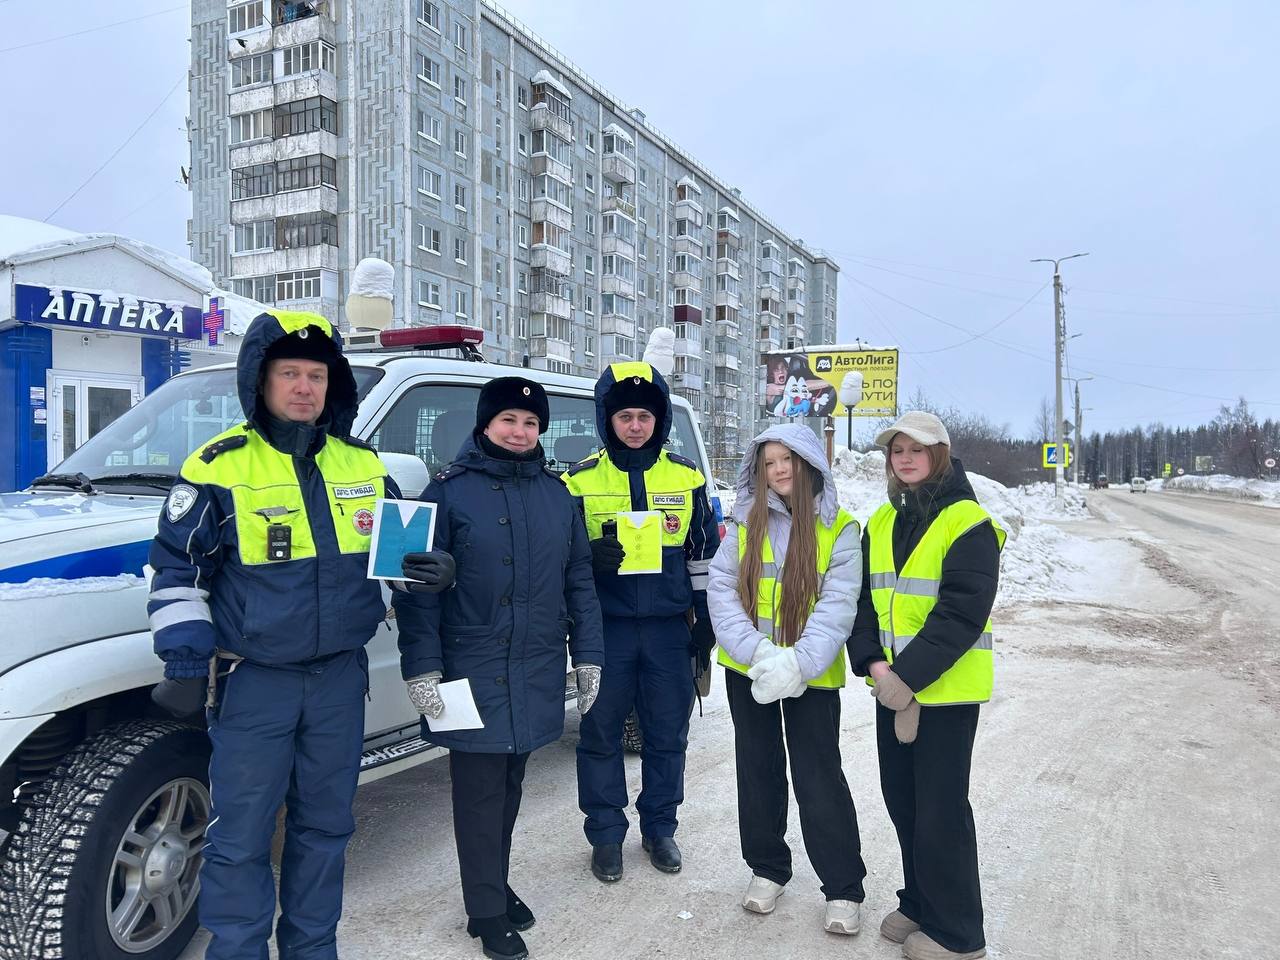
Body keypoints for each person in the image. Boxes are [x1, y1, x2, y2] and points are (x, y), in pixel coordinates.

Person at [147, 310, 454, 960]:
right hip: (255, 682)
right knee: (241, 836)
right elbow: (178, 573)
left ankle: (313, 950)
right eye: (290, 372)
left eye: (317, 375)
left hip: (339, 681)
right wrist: (184, 660)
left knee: (325, 828)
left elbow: (399, 561)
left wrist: (430, 570)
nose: (304, 387)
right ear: (260, 380)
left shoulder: (363, 465)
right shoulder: (219, 467)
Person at [393, 377, 605, 960]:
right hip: (472, 665)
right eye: (508, 419)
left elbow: (578, 580)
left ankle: (493, 883)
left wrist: (589, 654)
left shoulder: (558, 495)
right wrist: (422, 667)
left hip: (535, 663)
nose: (520, 431)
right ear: (485, 424)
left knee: (510, 785)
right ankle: (484, 911)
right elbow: (413, 587)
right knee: (479, 792)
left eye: (531, 423)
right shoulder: (447, 493)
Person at [846, 411, 1004, 960]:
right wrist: (873, 665)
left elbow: (961, 614)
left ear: (940, 454)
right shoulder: (882, 521)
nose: (905, 459)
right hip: (891, 690)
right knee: (904, 802)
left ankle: (958, 934)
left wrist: (906, 677)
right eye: (897, 451)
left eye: (917, 449)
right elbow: (864, 604)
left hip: (944, 696)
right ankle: (920, 902)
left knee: (941, 811)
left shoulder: (968, 523)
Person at [707, 423, 867, 936]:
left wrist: (797, 664)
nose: (778, 470)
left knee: (818, 776)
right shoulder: (744, 524)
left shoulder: (840, 529)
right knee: (758, 771)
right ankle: (767, 868)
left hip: (810, 675)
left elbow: (838, 606)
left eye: (787, 459)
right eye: (769, 462)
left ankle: (842, 886)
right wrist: (759, 654)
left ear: (808, 463)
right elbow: (721, 591)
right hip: (750, 669)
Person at [563, 361, 720, 882]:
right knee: (600, 734)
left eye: (645, 417)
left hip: (668, 629)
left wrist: (706, 620)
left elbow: (703, 554)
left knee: (666, 734)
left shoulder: (686, 476)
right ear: (607, 420)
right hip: (604, 631)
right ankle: (606, 834)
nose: (635, 426)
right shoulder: (578, 480)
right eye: (625, 416)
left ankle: (660, 828)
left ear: (660, 420)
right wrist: (589, 558)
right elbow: (558, 557)